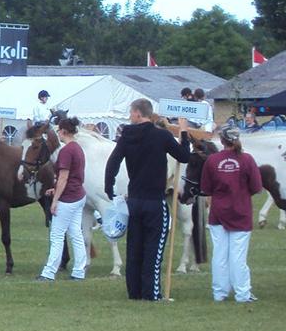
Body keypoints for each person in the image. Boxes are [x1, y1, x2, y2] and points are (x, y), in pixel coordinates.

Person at [104, 98, 192, 301]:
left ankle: (134, 292)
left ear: (137, 113)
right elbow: (184, 156)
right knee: (153, 247)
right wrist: (184, 132)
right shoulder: (161, 136)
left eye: (130, 112)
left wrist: (109, 187)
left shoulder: (126, 136)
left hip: (134, 200)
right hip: (154, 200)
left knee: (134, 247)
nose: (129, 115)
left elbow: (113, 161)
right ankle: (151, 293)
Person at [200, 127, 263, 303]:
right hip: (241, 212)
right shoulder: (247, 160)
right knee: (238, 256)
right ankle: (242, 293)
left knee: (219, 255)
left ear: (222, 140)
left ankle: (219, 292)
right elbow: (257, 187)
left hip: (218, 213)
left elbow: (206, 188)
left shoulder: (212, 160)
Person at [38, 116, 88, 281]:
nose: (57, 133)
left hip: (68, 198)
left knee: (57, 235)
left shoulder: (67, 151)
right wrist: (56, 189)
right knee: (76, 234)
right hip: (78, 195)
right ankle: (79, 271)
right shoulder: (77, 148)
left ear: (64, 131)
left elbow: (63, 177)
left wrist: (55, 200)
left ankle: (49, 272)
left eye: (59, 130)